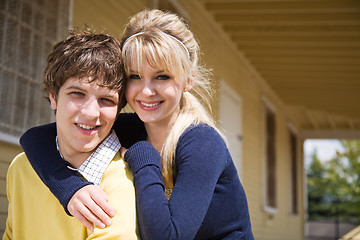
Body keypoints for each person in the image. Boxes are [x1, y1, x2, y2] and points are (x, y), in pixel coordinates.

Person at [19, 9, 254, 240]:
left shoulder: (202, 143)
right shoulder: (131, 127)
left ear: (188, 79)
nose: (147, 91)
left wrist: (143, 155)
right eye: (135, 76)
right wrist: (71, 189)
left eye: (162, 76)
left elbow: (167, 236)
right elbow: (35, 138)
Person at [2, 30, 139, 240]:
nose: (91, 112)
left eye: (107, 100)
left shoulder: (122, 180)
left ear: (119, 110)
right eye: (77, 93)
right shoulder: (20, 167)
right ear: (53, 97)